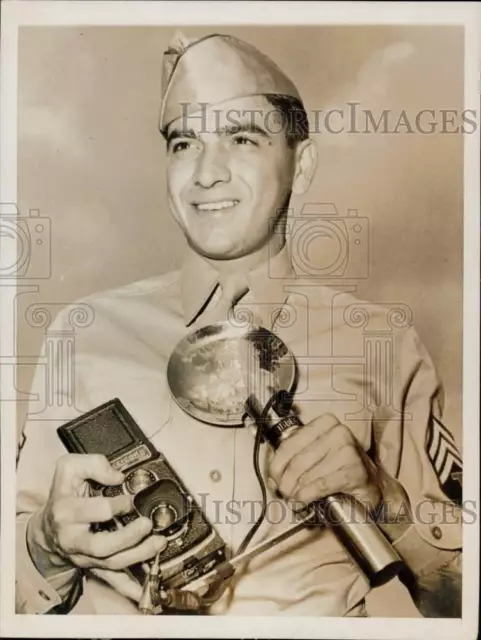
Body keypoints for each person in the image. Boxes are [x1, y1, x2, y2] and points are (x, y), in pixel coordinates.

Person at [16, 32, 463, 617]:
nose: (205, 173)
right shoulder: (84, 332)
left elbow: (458, 602)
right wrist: (45, 543)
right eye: (184, 143)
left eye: (241, 138)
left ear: (302, 167)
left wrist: (385, 500)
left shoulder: (382, 344)